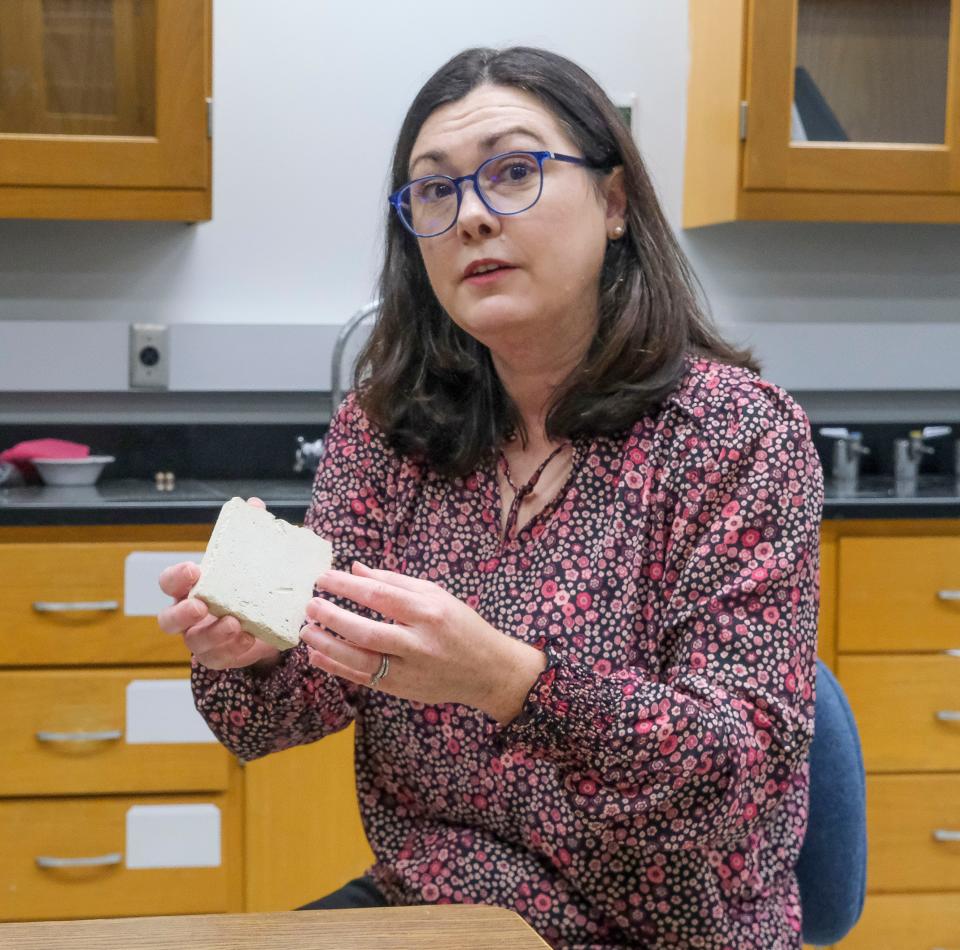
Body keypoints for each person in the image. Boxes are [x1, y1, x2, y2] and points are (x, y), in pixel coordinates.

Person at [158, 46, 822, 950]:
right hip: (438, 910)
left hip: (659, 932)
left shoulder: (737, 437)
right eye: (434, 192)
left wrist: (509, 682)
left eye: (514, 172)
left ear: (615, 202)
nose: (470, 216)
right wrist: (249, 654)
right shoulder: (388, 431)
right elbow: (287, 712)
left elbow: (736, 769)